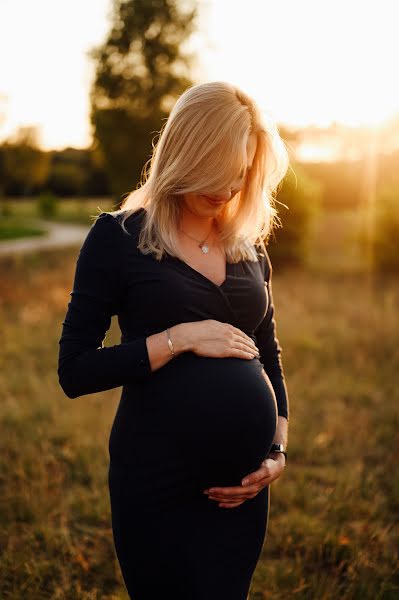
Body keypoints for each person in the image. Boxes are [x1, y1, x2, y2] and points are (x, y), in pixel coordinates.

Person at [58, 80, 290, 600]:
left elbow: (268, 357)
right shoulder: (118, 239)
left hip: (242, 494)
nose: (228, 189)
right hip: (155, 480)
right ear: (185, 152)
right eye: (217, 171)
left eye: (241, 175)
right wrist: (178, 338)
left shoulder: (249, 250)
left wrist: (276, 451)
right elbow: (74, 371)